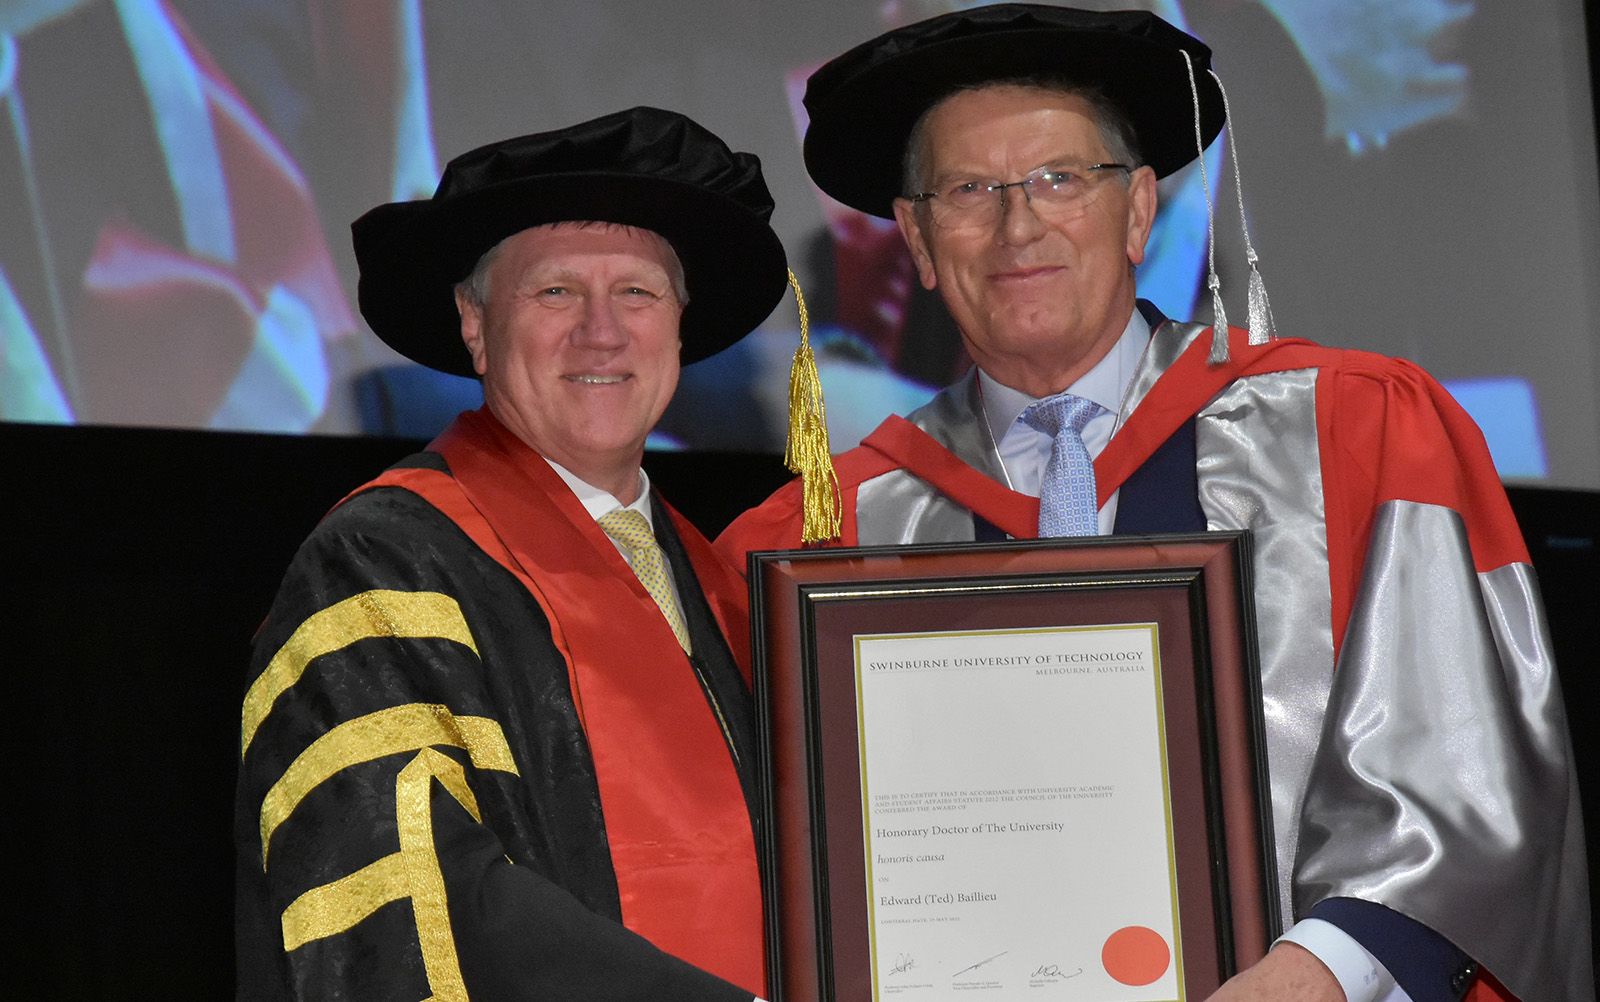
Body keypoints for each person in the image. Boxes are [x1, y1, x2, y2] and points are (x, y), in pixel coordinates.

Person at [718, 6, 1590, 1001]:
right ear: (915, 238)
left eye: (1060, 179)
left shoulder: (1356, 431)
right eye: (969, 191)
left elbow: (1468, 769)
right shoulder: (830, 527)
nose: (1019, 225)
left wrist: (1317, 974)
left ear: (1137, 210)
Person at [235, 106, 790, 1000]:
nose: (601, 332)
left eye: (638, 293)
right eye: (556, 292)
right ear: (474, 325)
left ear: (681, 328)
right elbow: (417, 889)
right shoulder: (382, 566)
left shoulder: (732, 590)